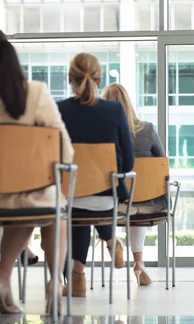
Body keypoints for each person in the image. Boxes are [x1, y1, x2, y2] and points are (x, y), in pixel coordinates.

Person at [0, 25, 73, 315]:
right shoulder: (35, 93)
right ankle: (53, 280)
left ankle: (2, 279)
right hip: (26, 196)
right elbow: (65, 151)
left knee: (31, 197)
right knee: (48, 202)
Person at [58, 53, 134, 296]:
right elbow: (128, 162)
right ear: (99, 81)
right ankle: (112, 242)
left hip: (68, 197)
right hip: (106, 198)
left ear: (69, 78)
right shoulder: (115, 111)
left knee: (76, 202)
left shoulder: (58, 110)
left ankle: (77, 275)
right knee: (87, 201)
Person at [102, 83, 167, 286]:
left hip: (111, 206)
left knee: (104, 200)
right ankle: (139, 263)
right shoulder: (147, 129)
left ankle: (111, 241)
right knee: (137, 201)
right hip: (147, 205)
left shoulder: (102, 132)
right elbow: (162, 163)